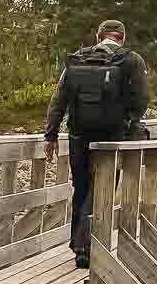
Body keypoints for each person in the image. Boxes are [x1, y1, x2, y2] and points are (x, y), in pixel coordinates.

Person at [43, 19, 149, 269]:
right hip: (112, 137)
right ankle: (85, 247)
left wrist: (50, 135)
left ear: (99, 36)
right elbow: (141, 100)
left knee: (80, 188)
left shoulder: (77, 59)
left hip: (78, 135)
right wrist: (131, 123)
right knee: (101, 188)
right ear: (121, 37)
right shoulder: (131, 60)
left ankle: (77, 244)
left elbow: (59, 99)